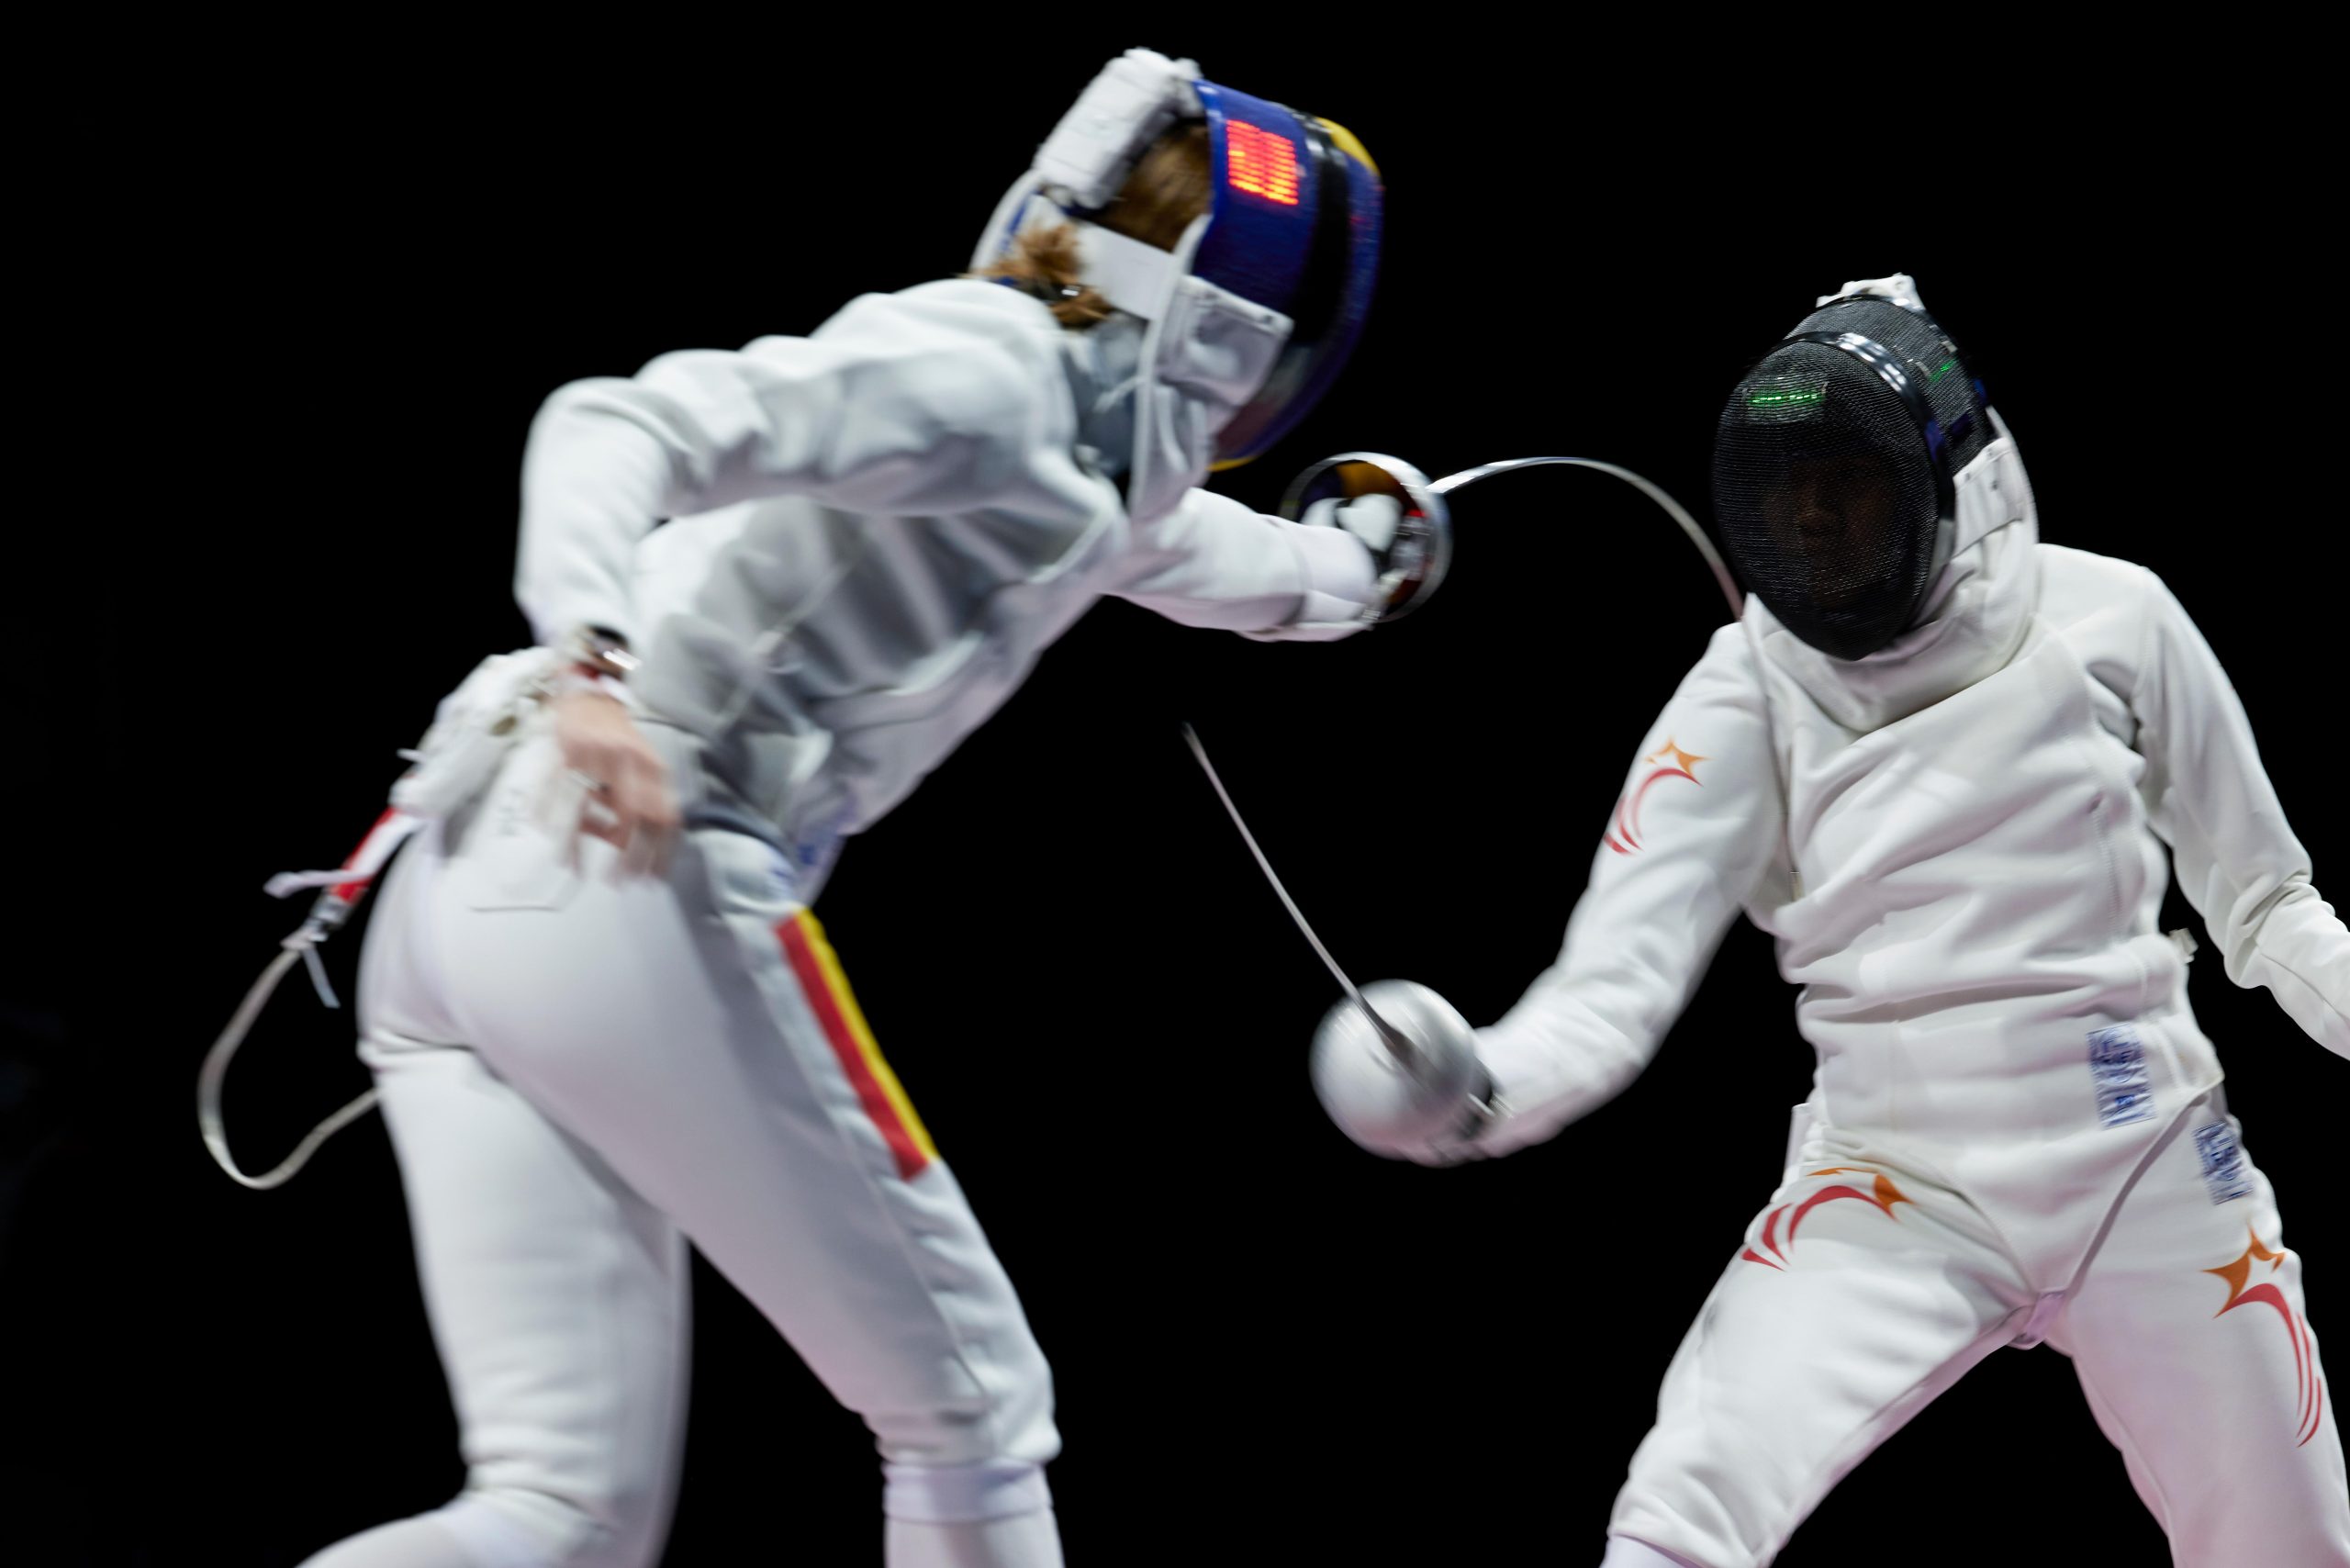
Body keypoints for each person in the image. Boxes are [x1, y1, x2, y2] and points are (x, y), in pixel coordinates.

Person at [295, 47, 1414, 1568]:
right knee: (972, 1416)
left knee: (559, 1514)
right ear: (1240, 334)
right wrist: (590, 665)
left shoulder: (1087, 460)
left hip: (462, 897)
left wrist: (1367, 563)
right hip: (622, 858)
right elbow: (618, 420)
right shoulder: (984, 366)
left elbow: (1224, 561)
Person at [1310, 275, 2349, 1567]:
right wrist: (1479, 1091)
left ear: (1948, 480)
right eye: (1783, 486)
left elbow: (2269, 904)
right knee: (1681, 1512)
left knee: (2288, 1553)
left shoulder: (2114, 617)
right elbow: (1609, 989)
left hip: (2147, 1167)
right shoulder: (1747, 688)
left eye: (1845, 480)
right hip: (1895, 1185)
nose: (1807, 517)